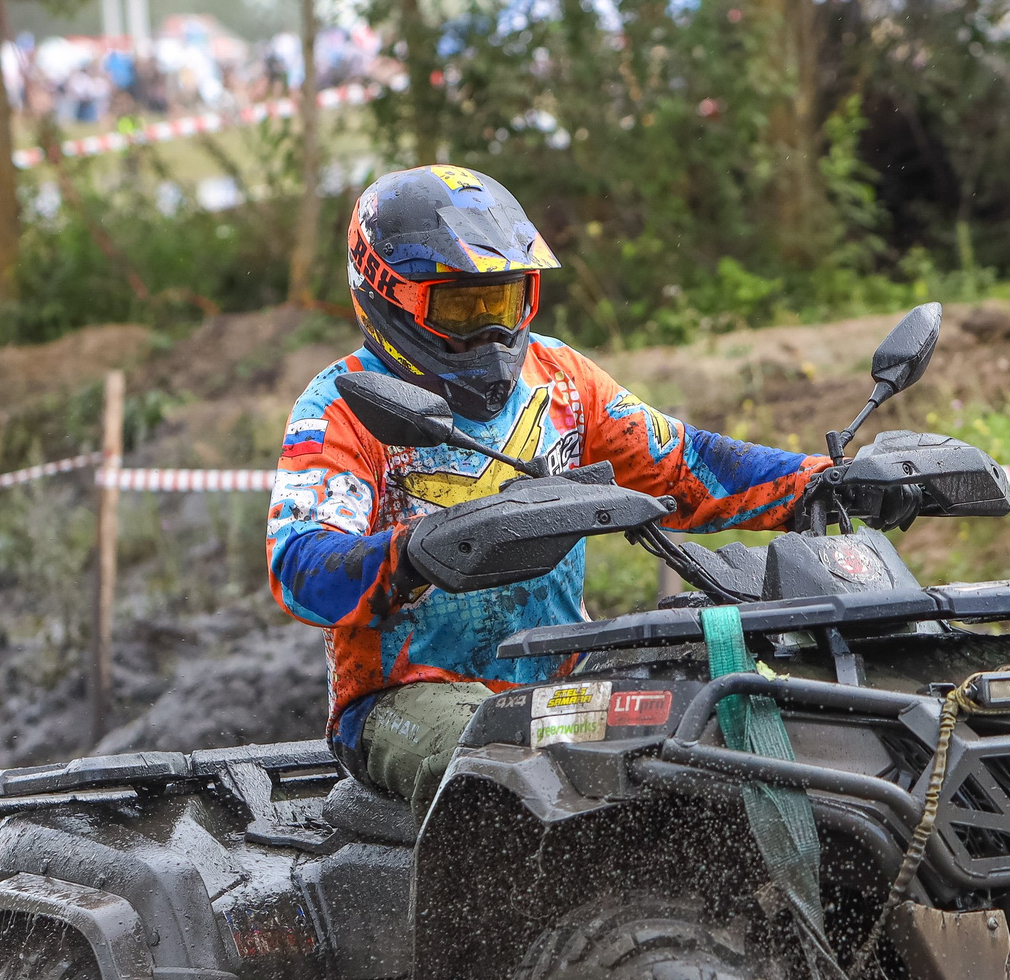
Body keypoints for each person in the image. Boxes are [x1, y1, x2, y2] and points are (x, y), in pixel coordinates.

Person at [266, 165, 840, 821]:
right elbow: (301, 567)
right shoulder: (339, 408)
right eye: (463, 307)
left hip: (562, 673)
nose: (490, 333)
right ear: (390, 295)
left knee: (717, 699)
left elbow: (683, 465)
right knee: (511, 761)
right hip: (402, 698)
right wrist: (413, 555)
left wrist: (817, 481)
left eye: (504, 303)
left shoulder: (559, 378)